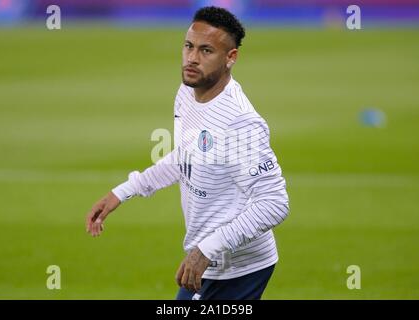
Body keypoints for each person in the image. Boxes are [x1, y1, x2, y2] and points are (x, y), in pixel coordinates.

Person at [85, 6, 290, 300]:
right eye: (188, 46)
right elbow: (187, 157)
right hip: (209, 260)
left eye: (206, 50)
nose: (192, 58)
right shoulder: (187, 92)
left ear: (230, 58)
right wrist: (125, 190)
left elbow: (274, 203)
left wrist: (208, 248)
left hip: (237, 268)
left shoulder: (239, 122)